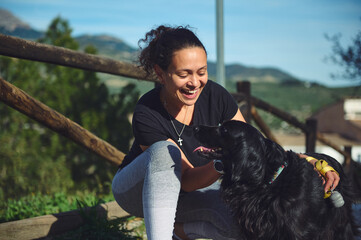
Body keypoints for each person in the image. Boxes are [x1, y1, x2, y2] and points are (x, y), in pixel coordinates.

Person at [112, 25, 340, 240]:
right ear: (160, 74)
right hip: (138, 193)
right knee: (165, 151)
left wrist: (310, 160)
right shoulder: (147, 111)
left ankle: (180, 231)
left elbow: (256, 146)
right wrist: (225, 159)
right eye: (184, 74)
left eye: (201, 72)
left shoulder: (215, 95)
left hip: (190, 196)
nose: (195, 82)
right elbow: (188, 181)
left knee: (251, 223)